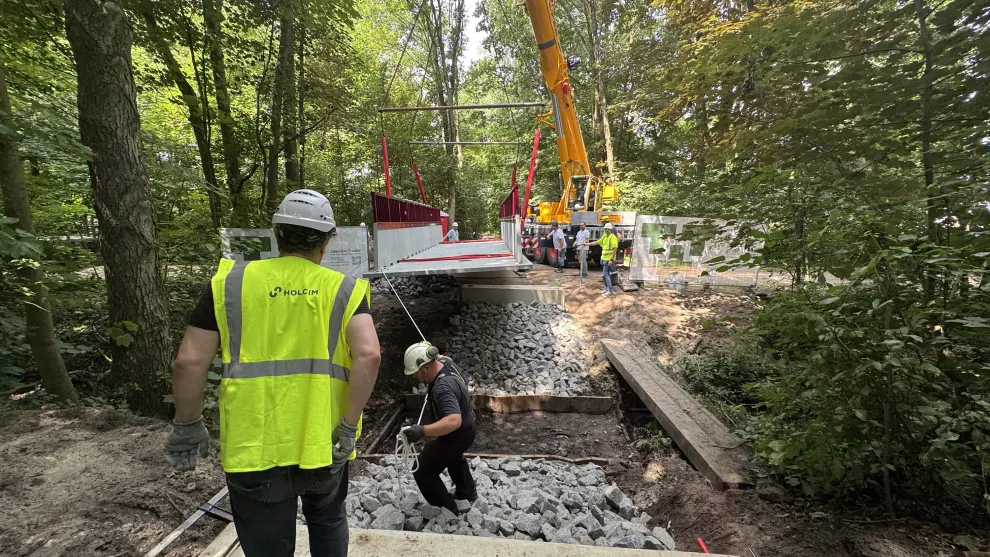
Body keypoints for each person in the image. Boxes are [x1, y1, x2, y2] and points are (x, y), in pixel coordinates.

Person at [165, 189, 381, 557]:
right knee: (327, 520)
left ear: (277, 235)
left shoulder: (230, 283)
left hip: (255, 444)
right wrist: (348, 426)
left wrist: (187, 422)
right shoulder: (343, 288)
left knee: (267, 544)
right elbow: (369, 355)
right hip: (322, 439)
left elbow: (188, 361)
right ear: (326, 243)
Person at [401, 341, 477, 514]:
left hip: (458, 432)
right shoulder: (446, 363)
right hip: (468, 425)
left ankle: (447, 510)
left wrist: (422, 431)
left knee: (422, 469)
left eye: (416, 373)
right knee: (452, 456)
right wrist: (427, 349)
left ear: (426, 367)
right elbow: (443, 356)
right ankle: (467, 493)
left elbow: (453, 420)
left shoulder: (443, 387)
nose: (416, 377)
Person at [580, 221, 619, 296]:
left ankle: (609, 290)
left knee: (605, 274)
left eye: (608, 229)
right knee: (605, 274)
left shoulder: (612, 237)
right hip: (603, 258)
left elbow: (615, 249)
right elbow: (597, 242)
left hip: (608, 259)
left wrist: (611, 259)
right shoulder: (605, 236)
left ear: (611, 230)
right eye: (605, 229)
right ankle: (606, 288)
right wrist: (587, 244)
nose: (606, 230)